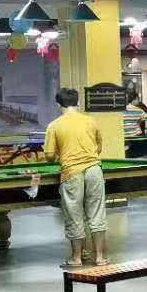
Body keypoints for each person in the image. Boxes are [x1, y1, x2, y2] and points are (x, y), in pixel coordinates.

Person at [43, 86, 109, 268]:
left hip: (71, 172)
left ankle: (77, 258)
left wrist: (60, 153)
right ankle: (100, 257)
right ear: (78, 102)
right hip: (94, 170)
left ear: (59, 104)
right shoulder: (91, 121)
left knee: (74, 214)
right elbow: (98, 148)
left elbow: (49, 156)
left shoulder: (54, 126)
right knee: (97, 213)